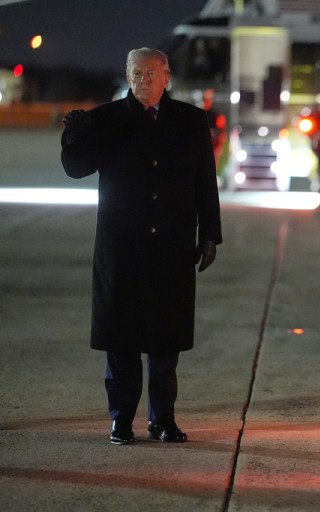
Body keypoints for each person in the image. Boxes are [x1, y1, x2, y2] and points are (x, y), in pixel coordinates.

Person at [61, 48, 223, 445]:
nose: (144, 80)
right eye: (137, 73)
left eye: (151, 73)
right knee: (121, 341)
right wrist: (76, 135)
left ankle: (162, 418)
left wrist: (209, 235)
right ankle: (121, 419)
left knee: (166, 341)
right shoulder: (106, 119)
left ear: (167, 77)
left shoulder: (190, 120)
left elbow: (205, 180)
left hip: (172, 245)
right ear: (128, 76)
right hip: (122, 247)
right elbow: (76, 168)